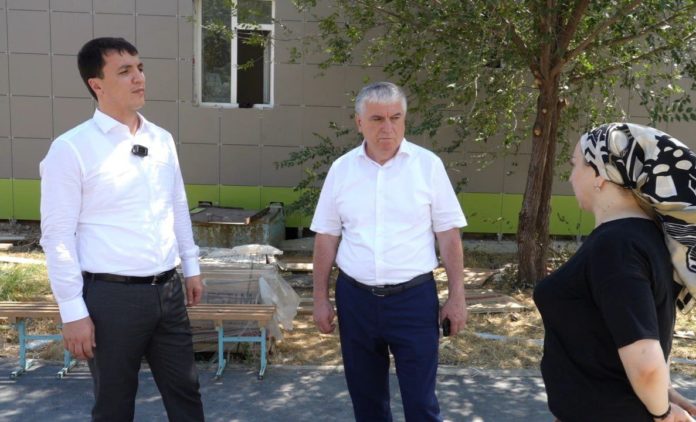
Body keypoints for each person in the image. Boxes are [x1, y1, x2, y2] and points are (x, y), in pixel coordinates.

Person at [39, 37, 205, 422]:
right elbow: (57, 237)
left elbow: (176, 204)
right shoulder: (71, 149)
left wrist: (191, 267)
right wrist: (72, 311)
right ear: (96, 84)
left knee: (187, 394)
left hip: (168, 291)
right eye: (125, 71)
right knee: (114, 405)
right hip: (111, 299)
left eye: (140, 68)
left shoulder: (161, 140)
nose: (139, 78)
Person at [311, 81, 468, 422]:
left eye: (395, 118)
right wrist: (319, 298)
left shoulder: (428, 166)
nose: (388, 128)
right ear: (359, 122)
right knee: (367, 405)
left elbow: (448, 234)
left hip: (413, 302)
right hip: (356, 301)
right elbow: (326, 237)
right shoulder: (342, 170)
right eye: (377, 119)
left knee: (421, 405)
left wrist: (457, 296)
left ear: (404, 120)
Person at [534, 122, 696, 421]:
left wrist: (663, 414)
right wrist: (665, 395)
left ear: (599, 174)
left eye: (575, 165)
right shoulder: (643, 238)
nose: (570, 177)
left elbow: (646, 362)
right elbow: (623, 333)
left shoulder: (616, 246)